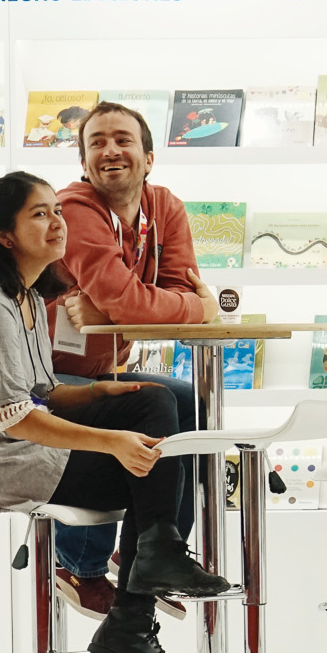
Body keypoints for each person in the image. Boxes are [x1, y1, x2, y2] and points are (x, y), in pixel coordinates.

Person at [0, 172, 229, 653]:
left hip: (12, 444)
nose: (57, 223)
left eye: (57, 211)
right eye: (39, 214)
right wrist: (112, 440)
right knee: (149, 467)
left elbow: (42, 392)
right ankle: (135, 610)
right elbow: (13, 416)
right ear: (4, 235)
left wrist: (96, 394)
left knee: (154, 399)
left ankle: (153, 567)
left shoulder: (24, 296)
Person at [49, 102, 218, 622]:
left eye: (122, 140)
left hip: (105, 366)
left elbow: (167, 293)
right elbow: (143, 303)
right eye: (96, 142)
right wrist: (199, 309)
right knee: (139, 408)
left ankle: (153, 553)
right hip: (47, 374)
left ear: (149, 156)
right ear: (83, 161)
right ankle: (79, 565)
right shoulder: (73, 210)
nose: (110, 151)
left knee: (190, 403)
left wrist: (120, 307)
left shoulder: (164, 207)